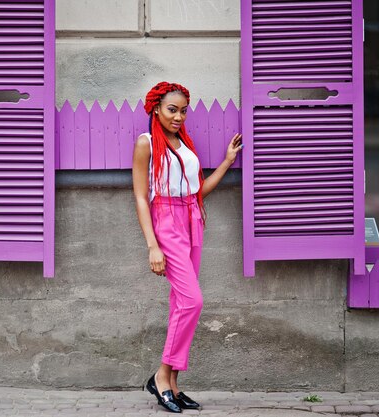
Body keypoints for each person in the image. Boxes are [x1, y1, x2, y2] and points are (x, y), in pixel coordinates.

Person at [132, 81, 242, 413]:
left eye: (183, 110)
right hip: (165, 220)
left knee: (183, 303)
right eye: (171, 109)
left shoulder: (184, 144)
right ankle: (162, 375)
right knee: (193, 300)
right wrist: (152, 245)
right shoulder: (147, 143)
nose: (179, 116)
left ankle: (173, 385)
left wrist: (226, 161)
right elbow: (139, 196)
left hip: (192, 219)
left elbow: (197, 192)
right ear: (155, 108)